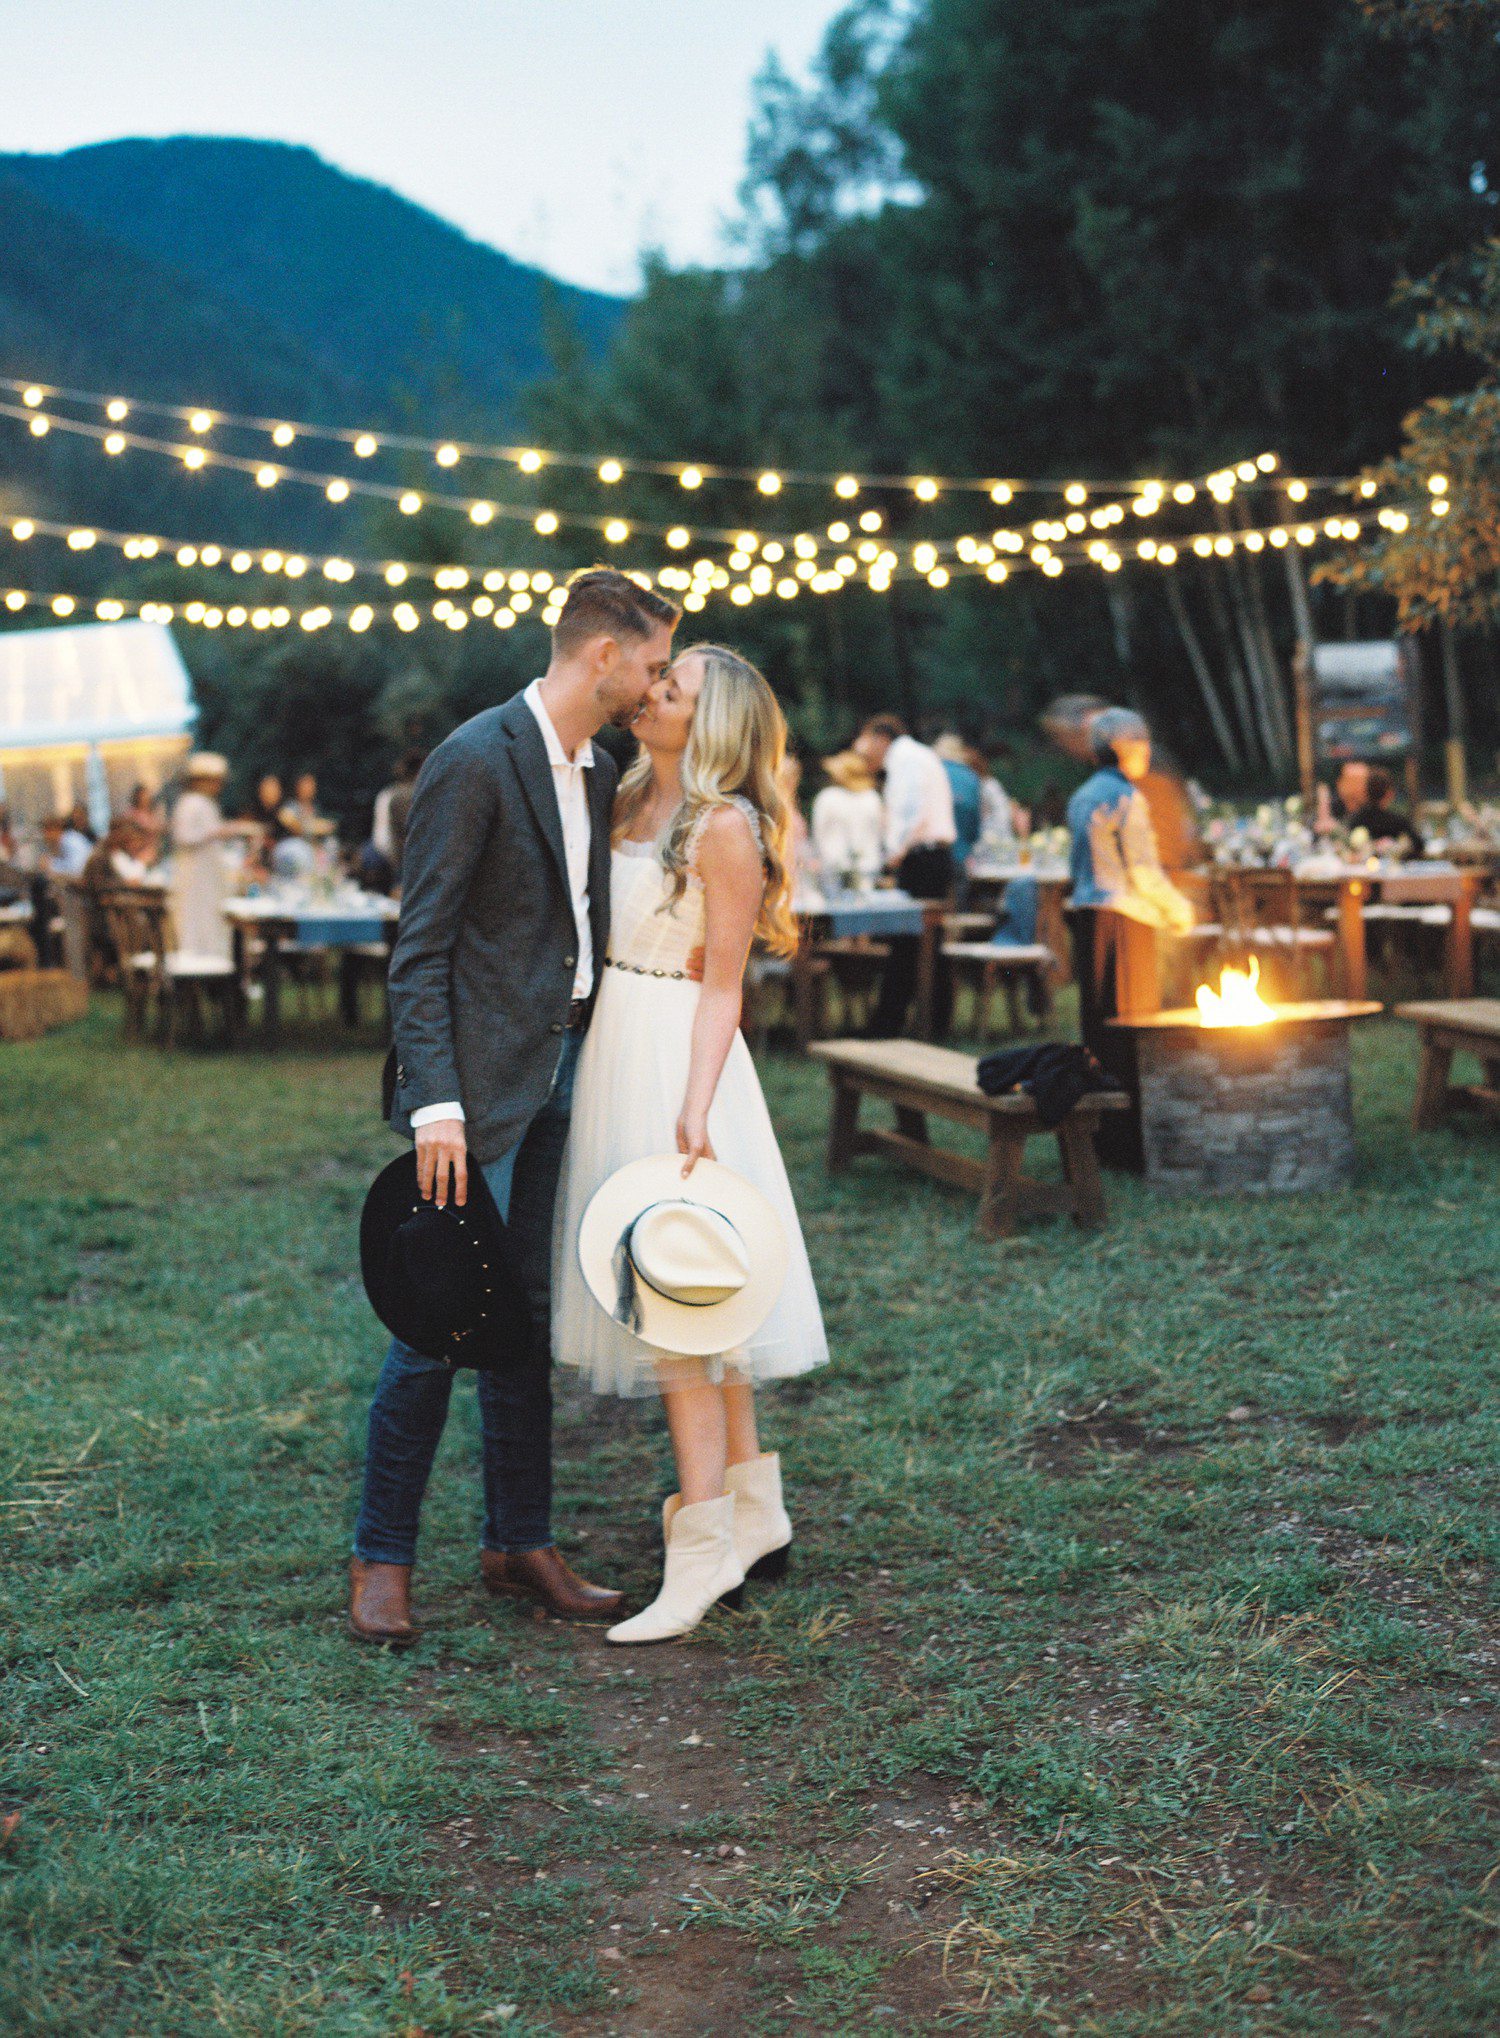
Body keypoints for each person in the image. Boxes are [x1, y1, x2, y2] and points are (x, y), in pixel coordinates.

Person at [350, 567, 679, 1647]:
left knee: (524, 1319)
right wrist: (434, 1102)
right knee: (436, 1319)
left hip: (560, 1080)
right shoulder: (473, 759)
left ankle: (518, 1540)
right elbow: (422, 946)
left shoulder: (597, 767)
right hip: (473, 1094)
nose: (656, 681)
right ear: (602, 657)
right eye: (652, 663)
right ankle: (382, 1556)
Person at [552, 644, 828, 1644]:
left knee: (685, 1299)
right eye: (659, 680)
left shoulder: (723, 828)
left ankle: (703, 1543)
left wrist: (697, 1105)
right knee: (694, 1302)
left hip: (677, 1058)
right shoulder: (622, 797)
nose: (652, 692)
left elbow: (725, 985)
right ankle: (757, 1510)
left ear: (712, 724)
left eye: (675, 687)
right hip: (615, 1044)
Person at [852, 714, 957, 1037]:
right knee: (924, 943)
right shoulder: (919, 757)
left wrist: (894, 854)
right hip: (929, 855)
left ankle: (890, 1021)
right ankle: (931, 1019)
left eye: (868, 747)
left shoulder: (906, 760)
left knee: (909, 940)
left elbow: (910, 813)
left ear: (881, 739)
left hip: (921, 856)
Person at [1067, 711, 1195, 930]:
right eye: (1141, 743)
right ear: (1123, 748)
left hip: (1083, 913)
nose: (1147, 751)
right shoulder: (1127, 798)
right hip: (1121, 917)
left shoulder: (1081, 796)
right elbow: (1143, 870)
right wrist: (1180, 910)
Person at [169, 754, 253, 960]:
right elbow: (183, 836)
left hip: (208, 875)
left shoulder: (206, 804)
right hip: (194, 876)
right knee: (195, 922)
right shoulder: (190, 803)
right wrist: (217, 832)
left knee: (211, 920)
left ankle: (212, 965)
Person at [1348, 765, 1424, 854]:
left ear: (1366, 792)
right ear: (1389, 793)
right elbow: (1419, 844)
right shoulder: (1397, 821)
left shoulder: (1355, 820)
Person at [279, 772, 334, 842]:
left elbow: (330, 826)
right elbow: (294, 826)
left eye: (310, 785)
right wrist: (317, 827)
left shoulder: (316, 807)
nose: (307, 789)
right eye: (304, 785)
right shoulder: (289, 806)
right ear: (297, 787)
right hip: (294, 845)